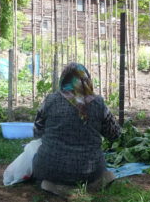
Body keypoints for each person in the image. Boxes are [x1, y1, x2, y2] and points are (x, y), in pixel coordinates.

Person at [32, 62, 121, 197]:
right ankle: (92, 185)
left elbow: (37, 132)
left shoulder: (50, 101)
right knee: (103, 173)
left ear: (63, 79)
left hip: (50, 168)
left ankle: (54, 185)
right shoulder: (98, 103)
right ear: (87, 80)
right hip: (91, 171)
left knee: (35, 154)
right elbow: (115, 134)